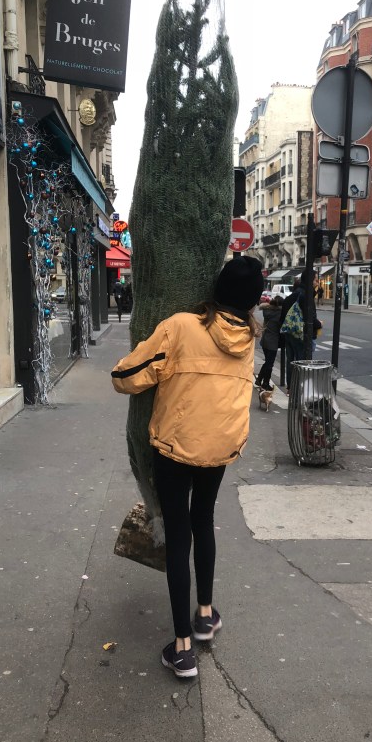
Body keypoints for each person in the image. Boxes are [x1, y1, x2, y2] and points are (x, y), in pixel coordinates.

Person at [111, 256, 264, 679]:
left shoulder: (181, 326)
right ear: (252, 302)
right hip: (220, 448)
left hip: (176, 447)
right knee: (203, 521)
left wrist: (122, 372)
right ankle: (205, 615)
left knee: (179, 536)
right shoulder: (248, 339)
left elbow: (128, 376)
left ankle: (181, 649)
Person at [280, 270, 321, 392]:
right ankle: (299, 391)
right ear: (309, 281)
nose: (317, 283)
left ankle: (291, 388)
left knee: (290, 361)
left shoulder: (291, 296)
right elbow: (310, 319)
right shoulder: (305, 296)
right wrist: (319, 324)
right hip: (301, 334)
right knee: (302, 363)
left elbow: (283, 317)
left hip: (289, 333)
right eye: (315, 280)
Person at [255, 295, 283, 391]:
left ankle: (259, 379)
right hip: (272, 341)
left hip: (265, 340)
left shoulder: (267, 311)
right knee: (269, 364)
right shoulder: (279, 314)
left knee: (267, 362)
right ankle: (265, 383)